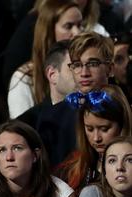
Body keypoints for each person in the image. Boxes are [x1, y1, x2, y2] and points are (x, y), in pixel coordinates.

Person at [36, 31, 115, 166]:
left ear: (110, 69)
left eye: (93, 64)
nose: (84, 73)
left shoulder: (124, 111)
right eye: (77, 65)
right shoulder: (51, 119)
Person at [7, 0, 82, 119]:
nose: (77, 33)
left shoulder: (85, 71)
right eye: (68, 26)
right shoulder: (24, 78)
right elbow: (21, 130)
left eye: (79, 25)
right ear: (49, 31)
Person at [55, 85, 132, 194]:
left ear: (122, 124)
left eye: (104, 129)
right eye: (90, 129)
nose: (96, 138)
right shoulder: (71, 169)